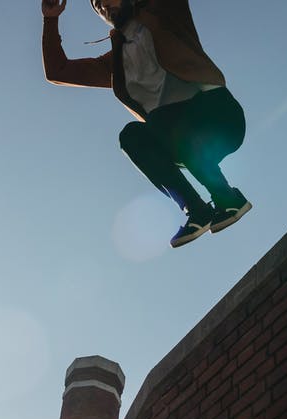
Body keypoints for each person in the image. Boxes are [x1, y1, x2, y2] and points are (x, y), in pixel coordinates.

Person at [41, 0, 252, 248]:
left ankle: (226, 197)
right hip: (181, 142)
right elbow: (59, 71)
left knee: (162, 117)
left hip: (220, 119)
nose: (104, 6)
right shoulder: (116, 62)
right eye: (98, 6)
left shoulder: (166, 13)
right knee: (131, 135)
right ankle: (196, 210)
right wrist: (50, 19)